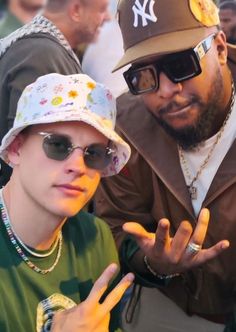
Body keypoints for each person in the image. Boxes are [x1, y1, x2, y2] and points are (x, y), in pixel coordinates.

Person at [94, 0, 236, 331]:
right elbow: (115, 229)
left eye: (181, 64)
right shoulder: (124, 131)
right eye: (144, 76)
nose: (167, 91)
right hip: (166, 305)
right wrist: (153, 263)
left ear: (217, 48)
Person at [0, 72, 133, 332]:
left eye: (94, 154)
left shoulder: (95, 237)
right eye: (58, 145)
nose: (77, 167)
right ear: (16, 148)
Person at [0, 0, 111, 187]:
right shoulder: (41, 56)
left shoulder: (42, 50)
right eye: (101, 10)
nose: (107, 17)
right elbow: (25, 167)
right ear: (76, 10)